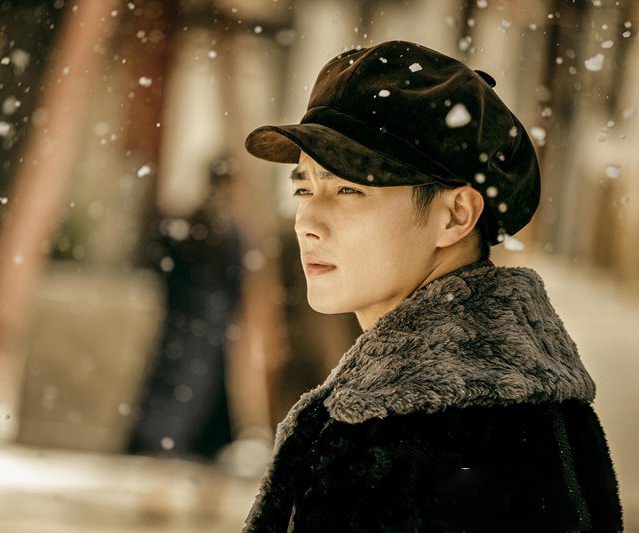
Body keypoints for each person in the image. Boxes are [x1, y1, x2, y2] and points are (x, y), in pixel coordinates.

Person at [240, 40, 622, 531]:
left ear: (456, 215)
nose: (307, 223)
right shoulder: (544, 407)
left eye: (348, 188)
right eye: (303, 188)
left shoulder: (400, 434)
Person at [126, 155, 244, 462]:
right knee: (179, 381)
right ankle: (161, 441)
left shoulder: (219, 228)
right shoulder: (201, 225)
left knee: (198, 385)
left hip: (206, 323)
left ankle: (182, 442)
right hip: (193, 321)